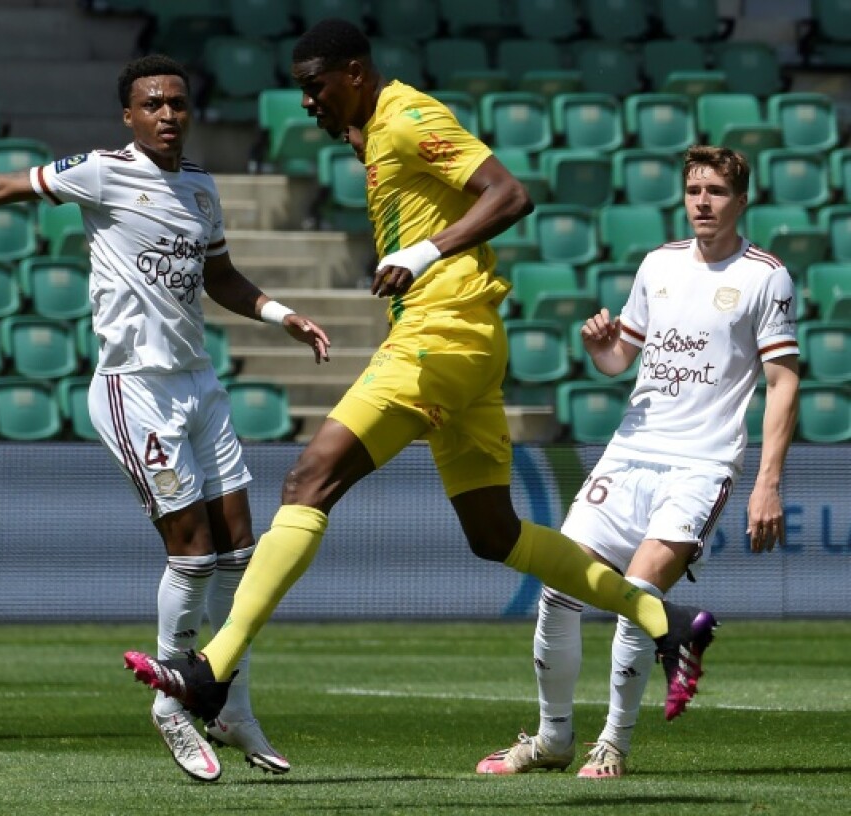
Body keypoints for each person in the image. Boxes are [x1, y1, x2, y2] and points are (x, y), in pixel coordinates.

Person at [122, 18, 720, 735]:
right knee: (494, 533)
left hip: (440, 335)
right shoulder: (375, 131)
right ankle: (666, 617)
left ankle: (212, 670)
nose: (308, 103)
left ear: (356, 73)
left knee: (309, 481)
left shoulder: (407, 118)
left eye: (316, 88)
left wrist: (425, 252)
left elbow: (508, 193)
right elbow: (380, 151)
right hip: (463, 344)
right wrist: (355, 139)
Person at [0, 56, 331, 782]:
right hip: (136, 389)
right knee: (192, 552)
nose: (168, 114)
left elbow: (219, 276)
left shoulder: (200, 186)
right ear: (128, 117)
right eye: (152, 104)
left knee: (239, 555)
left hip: (199, 384)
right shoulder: (101, 171)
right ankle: (169, 701)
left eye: (178, 103)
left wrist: (280, 314)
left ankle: (229, 703)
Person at [476, 146, 799, 778]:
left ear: (742, 200)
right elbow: (621, 361)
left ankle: (613, 746)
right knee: (558, 591)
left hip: (701, 464)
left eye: (715, 191)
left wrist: (768, 483)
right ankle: (552, 739)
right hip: (629, 454)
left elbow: (782, 381)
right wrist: (601, 347)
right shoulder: (657, 265)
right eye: (693, 190)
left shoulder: (766, 276)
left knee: (638, 594)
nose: (702, 202)